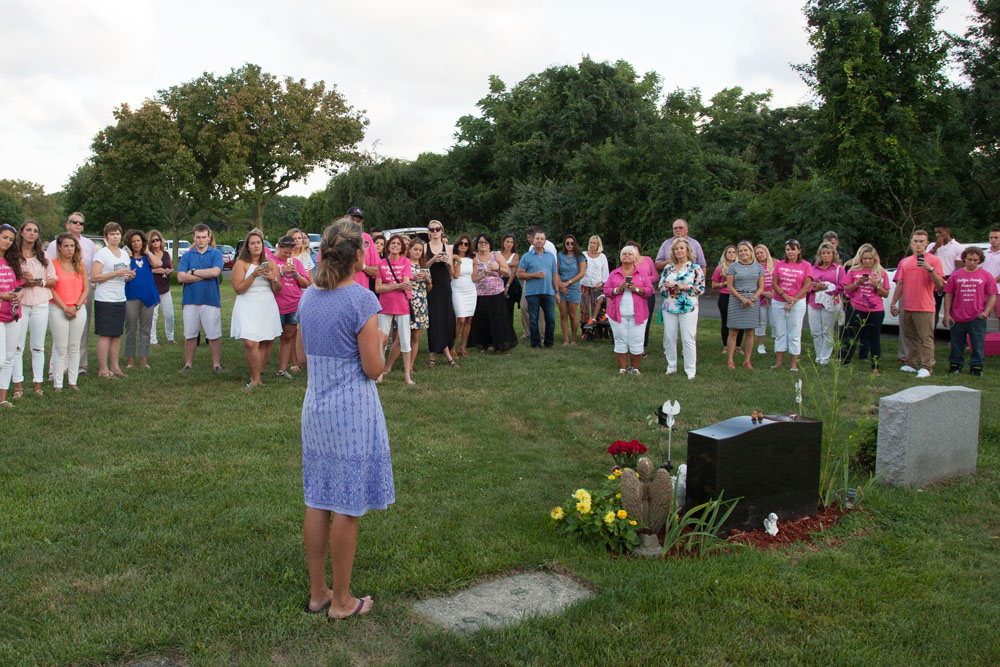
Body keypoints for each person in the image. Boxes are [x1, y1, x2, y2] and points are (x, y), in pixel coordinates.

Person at [297, 218, 393, 621]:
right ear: (357, 257)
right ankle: (341, 601)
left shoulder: (307, 298)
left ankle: (319, 592)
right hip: (351, 411)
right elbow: (372, 369)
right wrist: (384, 344)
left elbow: (301, 359)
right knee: (347, 505)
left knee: (318, 498)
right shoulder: (361, 300)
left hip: (315, 408)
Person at [45, 212, 96, 376]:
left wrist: (78, 304)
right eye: (74, 222)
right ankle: (56, 370)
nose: (78, 225)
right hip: (59, 296)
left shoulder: (89, 244)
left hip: (81, 294)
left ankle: (79, 367)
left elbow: (88, 272)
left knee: (81, 332)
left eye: (81, 223)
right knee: (60, 336)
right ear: (67, 224)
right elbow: (51, 271)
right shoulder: (54, 245)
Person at [230, 229, 282, 388]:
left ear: (263, 245)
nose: (256, 246)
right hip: (247, 303)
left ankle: (258, 373)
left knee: (267, 340)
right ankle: (255, 379)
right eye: (252, 243)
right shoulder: (241, 264)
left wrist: (273, 278)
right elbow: (238, 289)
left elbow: (278, 289)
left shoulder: (271, 263)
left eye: (258, 242)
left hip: (267, 302)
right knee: (251, 343)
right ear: (247, 246)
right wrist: (253, 276)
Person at [890, 230, 945, 378]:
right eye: (915, 241)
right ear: (911, 243)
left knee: (925, 337)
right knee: (911, 336)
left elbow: (941, 284)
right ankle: (911, 364)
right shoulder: (906, 262)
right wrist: (893, 302)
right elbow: (900, 284)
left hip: (924, 306)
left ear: (927, 243)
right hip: (908, 305)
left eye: (921, 241)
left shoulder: (934, 261)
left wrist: (930, 269)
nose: (918, 244)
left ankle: (927, 366)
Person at [11, 220, 56, 398]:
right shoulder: (12, 256)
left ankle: (38, 385)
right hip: (20, 303)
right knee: (17, 346)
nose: (32, 233)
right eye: (28, 230)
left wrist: (37, 282)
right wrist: (23, 279)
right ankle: (18, 386)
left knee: (38, 346)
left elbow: (52, 279)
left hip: (40, 303)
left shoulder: (43, 256)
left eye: (35, 231)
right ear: (21, 233)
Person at [177, 223, 224, 373]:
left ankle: (216, 364)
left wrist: (193, 272)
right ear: (194, 237)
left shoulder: (216, 254)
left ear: (209, 237)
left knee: (213, 334)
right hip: (190, 300)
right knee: (190, 334)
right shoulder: (186, 256)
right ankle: (188, 363)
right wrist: (204, 275)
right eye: (198, 237)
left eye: (204, 237)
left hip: (210, 299)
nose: (201, 240)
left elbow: (215, 273)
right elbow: (180, 277)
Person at [943, 246, 997, 377]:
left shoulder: (986, 275)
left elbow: (992, 295)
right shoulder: (956, 275)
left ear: (979, 260)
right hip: (957, 316)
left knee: (977, 343)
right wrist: (947, 314)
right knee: (956, 343)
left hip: (977, 317)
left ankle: (977, 367)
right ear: (964, 259)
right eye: (969, 260)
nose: (972, 263)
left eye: (975, 260)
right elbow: (948, 294)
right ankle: (955, 365)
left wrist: (986, 312)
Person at [90, 222, 133, 379]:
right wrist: (115, 274)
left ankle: (115, 367)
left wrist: (129, 276)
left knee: (116, 334)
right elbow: (94, 277)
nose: (115, 236)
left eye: (117, 234)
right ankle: (103, 369)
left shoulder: (124, 254)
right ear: (106, 236)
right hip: (105, 298)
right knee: (105, 334)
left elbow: (124, 276)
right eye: (112, 234)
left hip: (119, 297)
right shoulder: (101, 254)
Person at [840, 244, 890, 373]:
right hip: (857, 307)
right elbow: (846, 289)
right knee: (851, 336)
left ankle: (875, 366)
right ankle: (845, 362)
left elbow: (885, 294)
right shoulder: (853, 271)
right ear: (860, 259)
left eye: (870, 259)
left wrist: (876, 285)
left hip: (875, 310)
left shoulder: (881, 272)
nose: (867, 261)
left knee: (874, 338)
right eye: (865, 259)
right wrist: (858, 283)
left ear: (875, 259)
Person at [48, 234, 89, 392]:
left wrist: (76, 307)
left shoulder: (80, 265)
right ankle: (58, 382)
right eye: (66, 246)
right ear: (59, 247)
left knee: (74, 346)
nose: (69, 249)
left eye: (72, 246)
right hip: (59, 308)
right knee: (60, 347)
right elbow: (51, 289)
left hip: (78, 309)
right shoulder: (53, 264)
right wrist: (65, 307)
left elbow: (85, 289)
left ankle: (73, 380)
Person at [659, 238, 704, 379]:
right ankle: (671, 366)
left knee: (688, 338)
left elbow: (701, 288)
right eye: (676, 249)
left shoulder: (695, 268)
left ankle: (690, 370)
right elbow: (660, 286)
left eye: (681, 248)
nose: (679, 251)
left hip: (688, 307)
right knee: (669, 337)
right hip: (670, 306)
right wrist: (666, 287)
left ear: (687, 250)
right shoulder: (668, 268)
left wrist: (686, 287)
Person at [384, 240, 431, 378]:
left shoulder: (424, 267)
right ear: (409, 250)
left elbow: (429, 289)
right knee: (400, 338)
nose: (417, 252)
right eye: (415, 249)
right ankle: (388, 366)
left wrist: (427, 280)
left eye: (420, 250)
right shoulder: (403, 264)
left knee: (415, 337)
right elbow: (398, 283)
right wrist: (412, 278)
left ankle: (410, 366)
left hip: (421, 303)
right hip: (406, 303)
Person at [604, 245, 652, 374]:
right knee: (620, 340)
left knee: (637, 340)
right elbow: (606, 290)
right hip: (618, 313)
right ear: (621, 257)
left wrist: (636, 288)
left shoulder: (641, 273)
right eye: (624, 254)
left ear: (635, 257)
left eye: (630, 254)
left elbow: (649, 290)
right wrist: (617, 289)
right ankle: (623, 368)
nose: (626, 256)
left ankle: (635, 368)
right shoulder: (614, 273)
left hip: (638, 313)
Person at [375, 234, 415, 385]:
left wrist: (390, 286)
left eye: (398, 244)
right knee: (382, 340)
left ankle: (407, 376)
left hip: (402, 305)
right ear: (388, 246)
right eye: (393, 243)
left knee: (405, 340)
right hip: (385, 305)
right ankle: (379, 373)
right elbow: (378, 288)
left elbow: (406, 283)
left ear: (402, 248)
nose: (395, 246)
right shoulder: (381, 264)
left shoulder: (406, 262)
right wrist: (397, 286)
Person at [270, 236, 312, 379]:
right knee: (269, 338)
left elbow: (305, 284)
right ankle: (260, 369)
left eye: (290, 253)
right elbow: (269, 282)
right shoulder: (271, 261)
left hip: (294, 303)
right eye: (285, 252)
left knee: (288, 336)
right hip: (276, 304)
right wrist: (281, 273)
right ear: (278, 248)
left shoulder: (296, 263)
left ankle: (282, 369)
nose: (288, 256)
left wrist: (295, 273)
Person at [469, 233, 516, 353]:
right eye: (480, 242)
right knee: (482, 321)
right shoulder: (473, 257)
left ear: (490, 244)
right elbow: (473, 278)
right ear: (477, 245)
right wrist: (483, 274)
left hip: (496, 293)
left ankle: (501, 346)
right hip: (480, 294)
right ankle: (484, 346)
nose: (483, 244)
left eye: (486, 242)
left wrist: (497, 269)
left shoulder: (496, 255)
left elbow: (507, 272)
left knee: (498, 320)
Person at [771, 239, 813, 372]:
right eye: (788, 249)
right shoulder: (779, 264)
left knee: (794, 333)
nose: (790, 252)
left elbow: (807, 285)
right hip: (779, 301)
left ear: (799, 251)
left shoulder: (806, 265)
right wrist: (784, 296)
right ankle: (778, 362)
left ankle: (793, 364)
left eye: (793, 249)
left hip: (797, 302)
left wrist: (793, 300)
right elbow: (774, 283)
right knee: (780, 332)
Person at [122, 229, 161, 370]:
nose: (136, 244)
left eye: (138, 241)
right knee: (130, 328)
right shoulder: (126, 257)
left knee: (146, 329)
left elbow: (158, 264)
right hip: (131, 296)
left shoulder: (147, 257)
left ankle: (144, 360)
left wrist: (148, 252)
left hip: (148, 296)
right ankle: (130, 360)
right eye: (133, 241)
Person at [725, 240, 765, 369]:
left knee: (750, 331)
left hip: (752, 300)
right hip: (736, 299)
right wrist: (742, 299)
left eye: (745, 250)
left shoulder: (759, 267)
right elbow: (730, 286)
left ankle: (747, 360)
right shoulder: (733, 267)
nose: (743, 253)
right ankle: (730, 360)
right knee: (733, 331)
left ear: (751, 251)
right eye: (740, 251)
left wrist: (752, 299)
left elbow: (761, 287)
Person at [423, 220, 458, 367]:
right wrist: (433, 260)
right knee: (434, 318)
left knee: (447, 318)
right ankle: (433, 354)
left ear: (442, 230)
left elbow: (451, 273)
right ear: (429, 232)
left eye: (437, 229)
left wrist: (449, 262)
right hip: (432, 285)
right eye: (432, 229)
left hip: (445, 285)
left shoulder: (448, 248)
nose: (435, 231)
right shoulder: (425, 247)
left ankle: (446, 350)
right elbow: (420, 267)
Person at [518, 230, 560, 349]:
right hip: (532, 293)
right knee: (533, 320)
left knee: (551, 319)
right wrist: (534, 275)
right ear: (533, 240)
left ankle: (549, 343)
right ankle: (535, 344)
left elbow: (555, 275)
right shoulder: (527, 256)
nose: (539, 241)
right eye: (537, 238)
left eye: (542, 239)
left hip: (548, 292)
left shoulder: (551, 256)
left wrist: (556, 292)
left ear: (545, 241)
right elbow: (519, 274)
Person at [807, 241, 844, 366]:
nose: (826, 256)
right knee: (815, 331)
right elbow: (807, 285)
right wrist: (815, 288)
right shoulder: (813, 269)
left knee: (827, 331)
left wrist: (827, 287)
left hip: (830, 302)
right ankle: (819, 355)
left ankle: (825, 356)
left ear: (833, 254)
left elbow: (842, 286)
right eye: (823, 253)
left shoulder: (839, 269)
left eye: (828, 253)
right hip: (814, 302)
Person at [0, 224, 24, 407]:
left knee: (9, 357)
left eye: (10, 239)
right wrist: (3, 296)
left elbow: (19, 284)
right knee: (0, 358)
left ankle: (2, 398)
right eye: (4, 237)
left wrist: (18, 295)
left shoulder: (12, 261)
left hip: (14, 314)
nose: (7, 241)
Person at [927, 223, 964, 327]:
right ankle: (930, 338)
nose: (938, 235)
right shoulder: (932, 246)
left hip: (949, 279)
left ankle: (954, 338)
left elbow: (958, 267)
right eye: (936, 233)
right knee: (933, 310)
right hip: (933, 278)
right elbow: (925, 260)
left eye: (940, 232)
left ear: (947, 231)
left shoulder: (957, 247)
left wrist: (947, 283)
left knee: (952, 310)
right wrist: (935, 247)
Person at [626, 240, 659, 349]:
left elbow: (655, 276)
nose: (632, 251)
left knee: (646, 319)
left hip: (648, 294)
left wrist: (642, 280)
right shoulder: (628, 263)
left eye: (634, 248)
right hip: (633, 294)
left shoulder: (647, 260)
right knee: (633, 319)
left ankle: (643, 346)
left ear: (638, 249)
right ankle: (631, 344)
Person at [557, 235, 587, 345]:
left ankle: (574, 338)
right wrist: (561, 284)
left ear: (575, 244)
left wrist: (568, 283)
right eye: (567, 243)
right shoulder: (560, 256)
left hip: (574, 286)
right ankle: (566, 339)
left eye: (572, 243)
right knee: (563, 314)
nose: (570, 245)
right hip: (562, 286)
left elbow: (582, 273)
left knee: (573, 315)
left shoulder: (580, 256)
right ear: (564, 244)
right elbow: (556, 271)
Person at [711, 245, 742, 352]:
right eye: (729, 252)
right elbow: (713, 285)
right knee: (725, 321)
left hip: (738, 296)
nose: (732, 254)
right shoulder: (719, 268)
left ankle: (738, 346)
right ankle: (726, 345)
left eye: (734, 252)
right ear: (725, 254)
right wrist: (723, 284)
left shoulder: (741, 267)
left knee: (739, 321)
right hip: (725, 296)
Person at [146, 230, 174, 346]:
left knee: (170, 315)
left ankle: (171, 337)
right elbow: (144, 271)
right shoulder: (147, 255)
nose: (156, 242)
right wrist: (155, 271)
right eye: (153, 241)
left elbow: (171, 267)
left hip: (165, 288)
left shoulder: (166, 254)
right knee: (153, 316)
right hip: (153, 288)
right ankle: (153, 340)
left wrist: (169, 271)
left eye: (157, 240)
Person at [450, 234, 477, 357]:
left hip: (471, 290)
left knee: (469, 319)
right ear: (457, 244)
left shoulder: (472, 259)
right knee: (460, 319)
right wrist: (458, 262)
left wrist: (486, 274)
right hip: (457, 290)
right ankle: (452, 347)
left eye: (466, 244)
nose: (463, 246)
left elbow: (474, 277)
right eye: (461, 243)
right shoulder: (453, 257)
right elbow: (455, 275)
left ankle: (462, 347)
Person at [346, 207, 380, 292]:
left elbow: (377, 270)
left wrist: (362, 266)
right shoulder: (335, 237)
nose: (354, 223)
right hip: (339, 292)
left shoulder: (367, 238)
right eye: (352, 219)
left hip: (361, 293)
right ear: (345, 218)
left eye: (358, 221)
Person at [580, 235, 609, 325]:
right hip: (584, 284)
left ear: (598, 245)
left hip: (596, 286)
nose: (592, 244)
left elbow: (605, 271)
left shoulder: (602, 257)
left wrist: (602, 282)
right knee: (583, 307)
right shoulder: (583, 254)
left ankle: (595, 327)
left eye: (594, 243)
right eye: (591, 242)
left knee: (595, 307)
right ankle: (584, 329)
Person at [754, 244, 775, 355]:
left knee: (774, 322)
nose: (760, 255)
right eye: (757, 253)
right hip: (761, 297)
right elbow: (753, 284)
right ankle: (761, 345)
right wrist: (764, 293)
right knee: (761, 322)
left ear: (766, 252)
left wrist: (773, 293)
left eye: (761, 252)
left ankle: (776, 344)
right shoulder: (755, 266)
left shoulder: (775, 263)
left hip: (774, 297)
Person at [498, 233, 521, 329]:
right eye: (507, 241)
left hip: (510, 282)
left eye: (511, 242)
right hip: (497, 280)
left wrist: (507, 286)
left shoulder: (515, 255)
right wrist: (510, 264)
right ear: (503, 242)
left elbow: (513, 272)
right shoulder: (497, 254)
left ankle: (508, 330)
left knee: (508, 308)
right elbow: (495, 268)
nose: (509, 244)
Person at [983, 228, 1000, 317]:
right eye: (991, 237)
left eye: (996, 238)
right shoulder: (983, 254)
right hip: (983, 291)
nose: (993, 240)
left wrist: (990, 283)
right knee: (981, 317)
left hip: (998, 291)